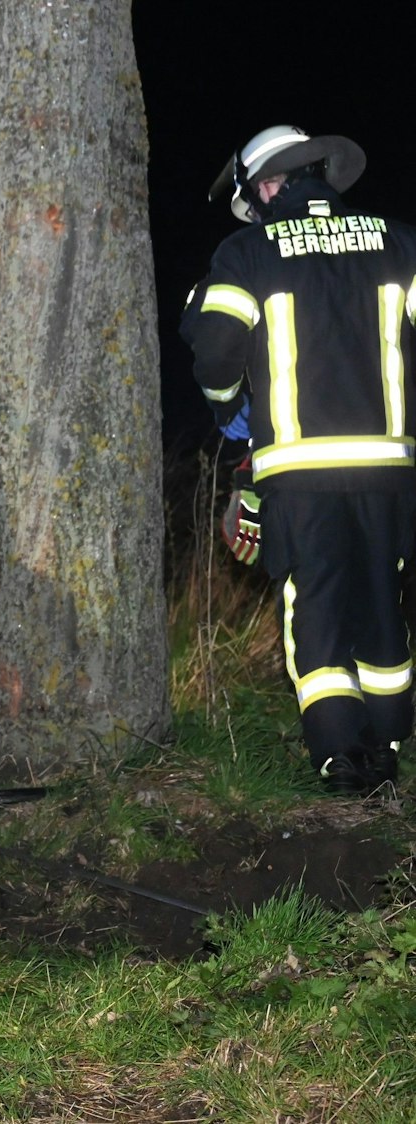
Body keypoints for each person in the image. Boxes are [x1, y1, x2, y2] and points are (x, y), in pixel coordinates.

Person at [181, 125, 416, 793]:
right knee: (381, 599)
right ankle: (388, 740)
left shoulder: (248, 252)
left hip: (298, 474)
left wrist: (229, 410)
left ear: (265, 187)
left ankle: (341, 756)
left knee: (315, 608)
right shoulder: (399, 242)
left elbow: (215, 352)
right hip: (388, 471)